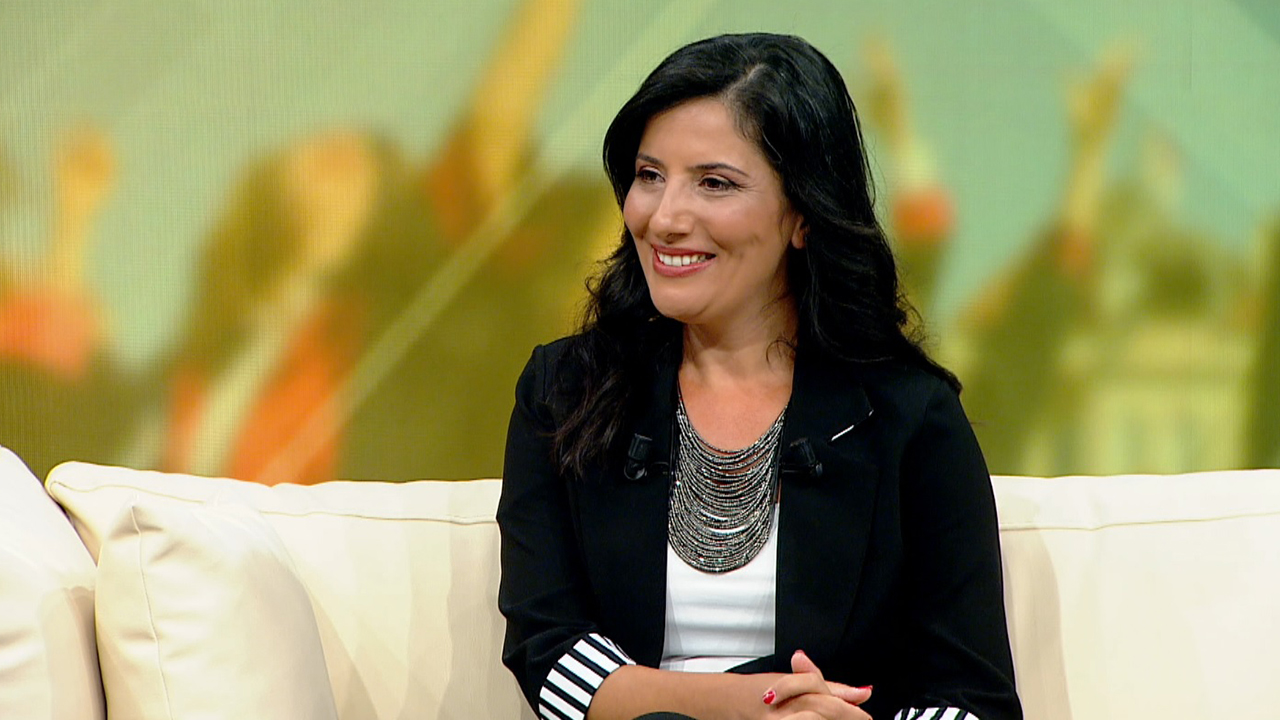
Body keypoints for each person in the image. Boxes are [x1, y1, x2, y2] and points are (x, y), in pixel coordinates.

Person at [498, 33, 1020, 720]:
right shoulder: (566, 390)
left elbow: (972, 697)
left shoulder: (907, 415)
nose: (664, 217)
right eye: (649, 175)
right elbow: (550, 655)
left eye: (714, 183)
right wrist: (753, 706)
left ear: (803, 214)